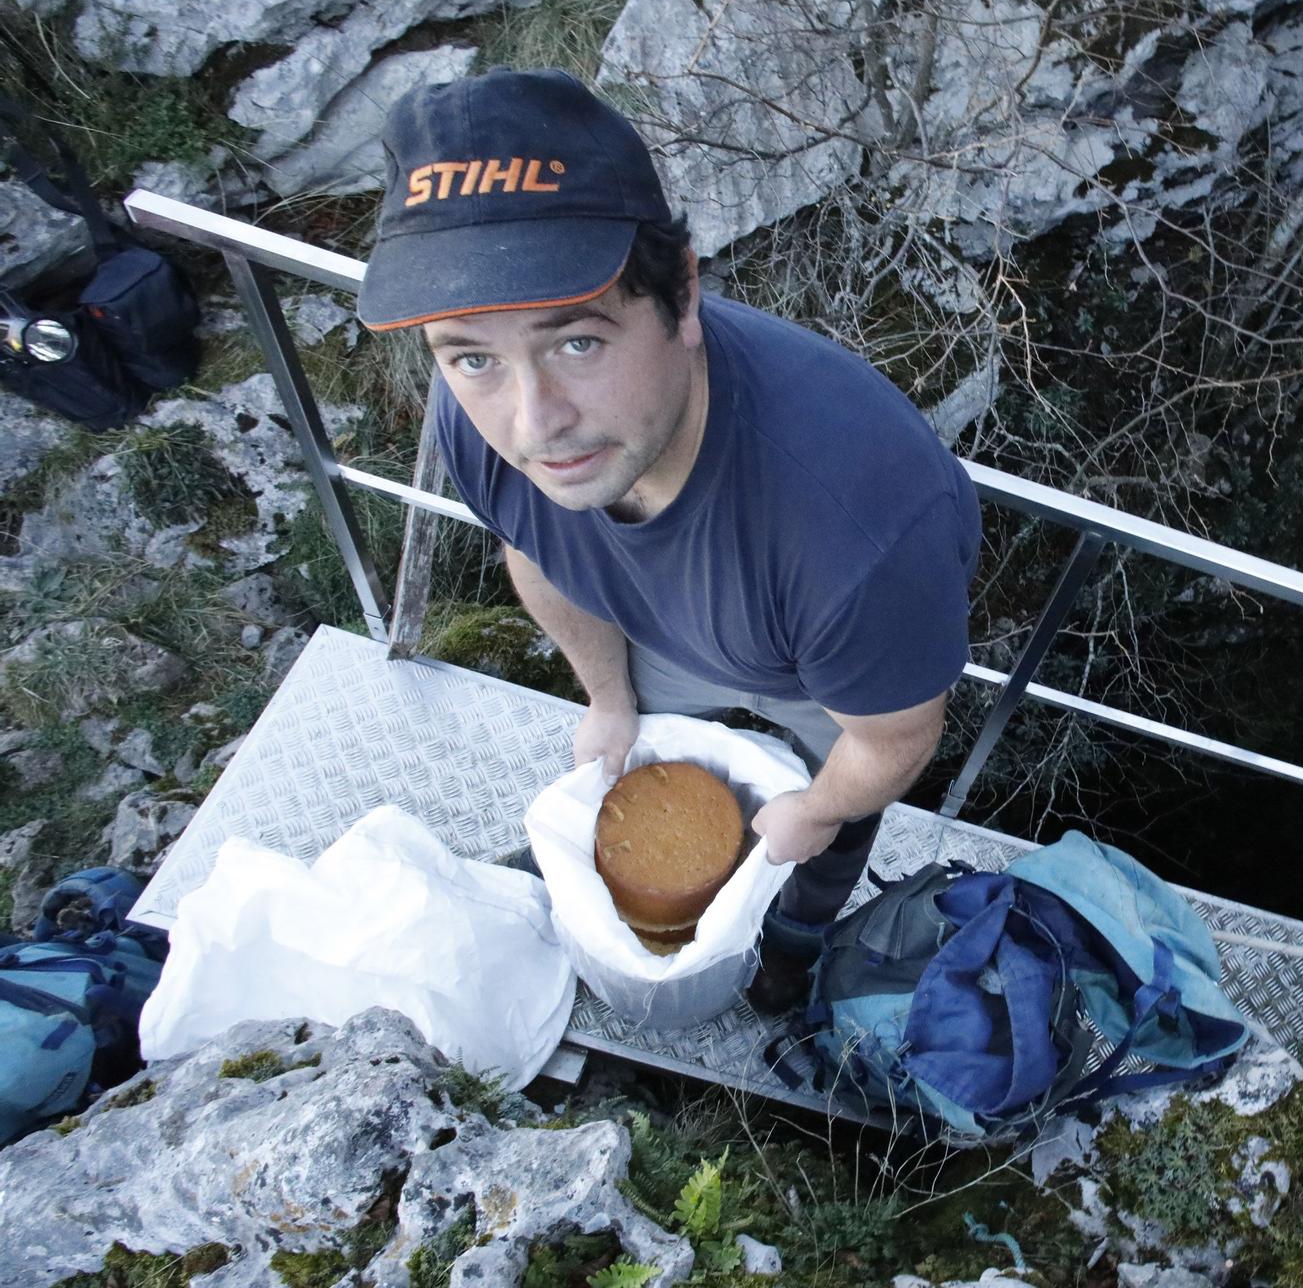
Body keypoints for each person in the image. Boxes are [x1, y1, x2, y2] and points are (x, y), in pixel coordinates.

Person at [355, 68, 981, 1014]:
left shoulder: (857, 532)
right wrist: (608, 696)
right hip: (670, 633)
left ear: (682, 293)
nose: (534, 426)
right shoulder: (473, 425)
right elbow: (539, 547)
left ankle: (798, 943)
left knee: (819, 837)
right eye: (475, 354)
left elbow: (896, 731)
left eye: (577, 342)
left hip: (819, 677)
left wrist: (809, 812)